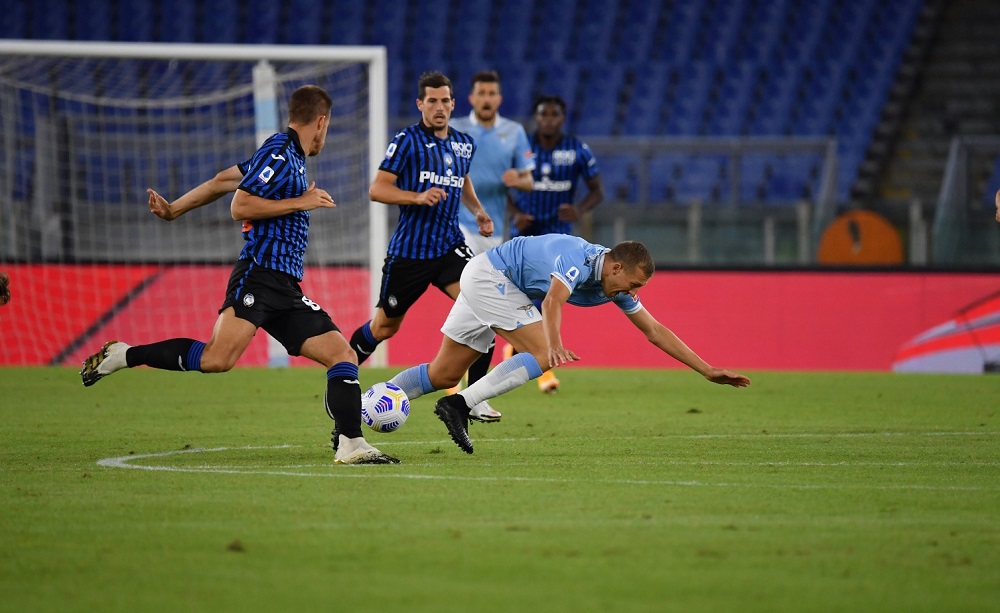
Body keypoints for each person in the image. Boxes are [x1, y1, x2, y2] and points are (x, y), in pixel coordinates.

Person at [79, 85, 399, 465]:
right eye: (326, 129)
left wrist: (174, 210)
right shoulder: (280, 151)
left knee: (341, 354)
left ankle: (351, 444)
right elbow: (240, 203)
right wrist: (304, 201)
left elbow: (221, 180)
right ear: (321, 122)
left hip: (284, 285)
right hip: (259, 276)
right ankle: (123, 355)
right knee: (217, 358)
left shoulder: (288, 156)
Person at [386, 235, 751, 454]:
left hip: (495, 281)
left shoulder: (613, 283)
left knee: (443, 371)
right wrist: (553, 345)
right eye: (634, 285)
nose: (632, 294)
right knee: (542, 355)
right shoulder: (580, 259)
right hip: (491, 277)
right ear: (618, 268)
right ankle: (459, 404)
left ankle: (355, 406)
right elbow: (552, 301)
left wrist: (707, 370)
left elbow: (654, 330)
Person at [346, 70, 502, 423]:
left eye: (445, 100)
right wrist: (417, 197)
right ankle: (343, 373)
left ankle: (473, 398)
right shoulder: (406, 141)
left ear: (453, 103)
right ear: (420, 104)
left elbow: (462, 180)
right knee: (384, 327)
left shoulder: (464, 143)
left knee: (489, 307)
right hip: (409, 255)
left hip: (450, 248)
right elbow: (378, 189)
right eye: (431, 101)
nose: (439, 107)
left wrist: (479, 213)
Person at [507, 95, 606, 394]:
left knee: (545, 301)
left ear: (562, 118)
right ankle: (533, 362)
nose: (548, 119)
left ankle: (539, 368)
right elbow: (502, 183)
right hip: (525, 235)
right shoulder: (521, 148)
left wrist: (579, 210)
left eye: (554, 114)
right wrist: (515, 214)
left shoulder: (577, 150)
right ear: (536, 117)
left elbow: (597, 191)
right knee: (519, 300)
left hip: (560, 239)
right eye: (543, 114)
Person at [448, 70, 535, 406]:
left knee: (482, 313)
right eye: (481, 92)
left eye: (492, 93)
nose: (486, 98)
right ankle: (471, 393)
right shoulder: (457, 130)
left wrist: (518, 179)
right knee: (484, 308)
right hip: (461, 228)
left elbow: (529, 180)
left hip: (496, 234)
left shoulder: (513, 132)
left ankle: (465, 389)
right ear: (471, 98)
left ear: (499, 98)